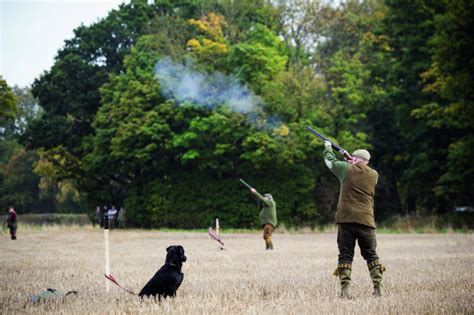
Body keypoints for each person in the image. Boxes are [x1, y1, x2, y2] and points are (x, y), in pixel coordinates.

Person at [323, 141, 385, 298]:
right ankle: (378, 288)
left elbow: (329, 161)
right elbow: (359, 171)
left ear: (355, 158)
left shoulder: (346, 169)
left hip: (347, 219)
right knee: (371, 254)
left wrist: (328, 147)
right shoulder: (374, 174)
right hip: (366, 220)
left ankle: (345, 291)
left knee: (345, 254)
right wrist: (351, 160)